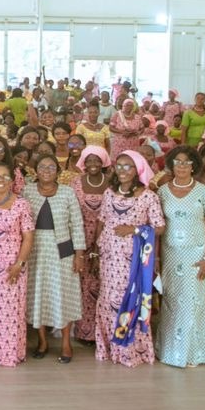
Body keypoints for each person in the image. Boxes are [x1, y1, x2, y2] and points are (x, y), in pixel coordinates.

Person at [93, 151, 165, 368]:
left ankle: (129, 350)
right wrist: (96, 251)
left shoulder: (148, 196)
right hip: (108, 256)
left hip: (132, 259)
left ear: (139, 170)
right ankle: (108, 348)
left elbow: (159, 227)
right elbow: (101, 221)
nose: (123, 171)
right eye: (120, 166)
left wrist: (133, 229)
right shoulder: (109, 193)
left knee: (129, 298)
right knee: (107, 299)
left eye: (129, 167)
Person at [155, 146, 205, 369]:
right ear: (171, 165)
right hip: (171, 255)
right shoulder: (162, 191)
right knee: (172, 302)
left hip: (196, 255)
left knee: (193, 303)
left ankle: (192, 353)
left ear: (194, 166)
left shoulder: (203, 192)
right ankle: (169, 352)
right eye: (177, 162)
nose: (182, 166)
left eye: (187, 162)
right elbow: (157, 226)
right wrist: (156, 260)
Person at [22, 154, 84, 363]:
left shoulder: (67, 192)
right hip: (35, 251)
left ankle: (66, 343)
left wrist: (79, 254)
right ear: (35, 171)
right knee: (38, 295)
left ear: (58, 171)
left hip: (62, 251)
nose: (47, 170)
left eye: (51, 167)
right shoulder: (27, 190)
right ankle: (42, 341)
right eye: (42, 167)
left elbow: (76, 224)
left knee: (62, 295)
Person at [70, 145, 110, 343]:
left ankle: (103, 331)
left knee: (103, 284)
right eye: (89, 160)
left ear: (103, 162)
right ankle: (84, 332)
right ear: (83, 163)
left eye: (97, 160)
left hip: (107, 240)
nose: (93, 164)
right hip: (81, 238)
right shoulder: (75, 182)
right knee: (83, 286)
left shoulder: (111, 183)